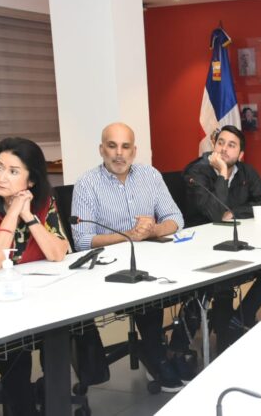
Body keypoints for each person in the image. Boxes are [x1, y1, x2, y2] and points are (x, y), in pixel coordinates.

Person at [71, 122, 189, 392]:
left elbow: (176, 218)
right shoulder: (87, 184)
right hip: (109, 269)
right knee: (148, 294)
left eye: (125, 147)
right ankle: (156, 355)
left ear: (134, 151)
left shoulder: (150, 175)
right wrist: (128, 236)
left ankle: (176, 349)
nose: (119, 153)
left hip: (152, 256)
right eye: (112, 146)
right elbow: (82, 240)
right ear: (101, 149)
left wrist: (154, 230)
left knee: (197, 284)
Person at [0, 137, 70, 415]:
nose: (1, 177)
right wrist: (12, 212)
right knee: (15, 363)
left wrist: (30, 216)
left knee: (58, 340)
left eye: (13, 171)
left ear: (30, 181)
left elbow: (58, 253)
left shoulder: (45, 204)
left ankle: (53, 400)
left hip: (40, 297)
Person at [183, 125, 261, 350]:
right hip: (202, 247)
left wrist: (235, 212)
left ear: (241, 154)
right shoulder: (197, 172)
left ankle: (239, 319)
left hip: (233, 242)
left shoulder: (246, 172)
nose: (224, 149)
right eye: (220, 143)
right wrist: (222, 175)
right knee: (224, 280)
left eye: (231, 145)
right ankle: (218, 336)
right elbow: (217, 214)